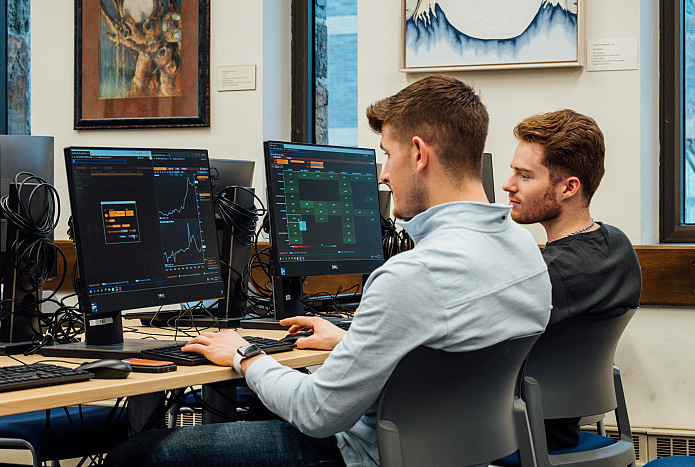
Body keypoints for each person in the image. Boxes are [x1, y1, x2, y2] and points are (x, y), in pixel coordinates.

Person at [106, 75, 552, 466]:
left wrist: (245, 354)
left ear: (418, 155)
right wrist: (352, 340)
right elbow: (444, 356)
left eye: (387, 154)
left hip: (368, 455)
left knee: (138, 454)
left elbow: (317, 414)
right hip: (463, 454)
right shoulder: (523, 250)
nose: (382, 175)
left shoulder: (413, 276)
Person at [502, 108, 642, 450]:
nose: (508, 185)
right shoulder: (615, 245)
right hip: (558, 425)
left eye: (524, 176)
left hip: (524, 434)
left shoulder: (554, 274)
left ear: (569, 187)